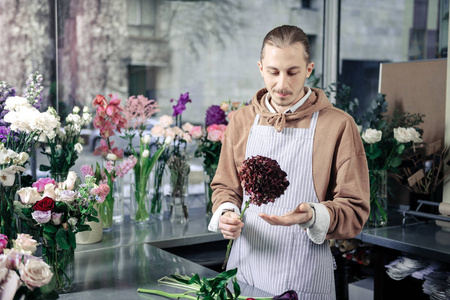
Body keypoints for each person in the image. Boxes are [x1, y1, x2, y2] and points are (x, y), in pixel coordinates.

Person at [207, 25, 370, 299]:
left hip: (304, 276)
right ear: (260, 68)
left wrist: (313, 215)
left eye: (292, 72)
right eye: (273, 72)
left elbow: (355, 211)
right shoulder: (242, 120)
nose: (282, 84)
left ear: (309, 69)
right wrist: (225, 213)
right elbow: (225, 187)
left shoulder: (339, 125)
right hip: (243, 273)